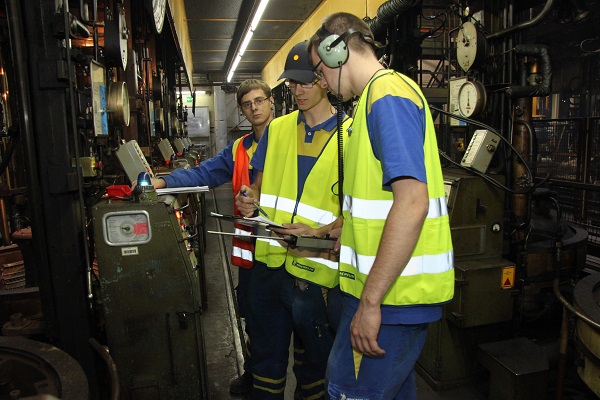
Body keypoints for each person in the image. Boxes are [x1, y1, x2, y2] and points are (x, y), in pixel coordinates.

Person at [307, 12, 455, 400]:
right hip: (385, 292)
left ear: (336, 52)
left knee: (348, 391)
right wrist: (343, 232)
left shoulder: (387, 96)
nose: (319, 81)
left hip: (390, 298)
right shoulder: (370, 102)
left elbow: (412, 203)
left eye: (319, 69)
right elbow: (379, 203)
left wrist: (371, 304)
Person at [235, 41, 351, 400]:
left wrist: (316, 233)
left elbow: (358, 215)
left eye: (306, 82)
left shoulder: (351, 137)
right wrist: (249, 199)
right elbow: (258, 183)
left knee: (315, 362)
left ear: (325, 81)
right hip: (270, 263)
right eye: (292, 84)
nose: (298, 91)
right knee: (267, 354)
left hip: (316, 273)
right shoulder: (279, 129)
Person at [147, 79, 274, 395]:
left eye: (259, 100)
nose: (254, 108)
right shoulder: (240, 148)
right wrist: (166, 182)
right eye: (247, 104)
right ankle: (255, 372)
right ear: (242, 110)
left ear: (271, 102)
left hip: (286, 246)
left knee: (291, 322)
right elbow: (204, 174)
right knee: (254, 317)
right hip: (250, 248)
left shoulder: (291, 141)